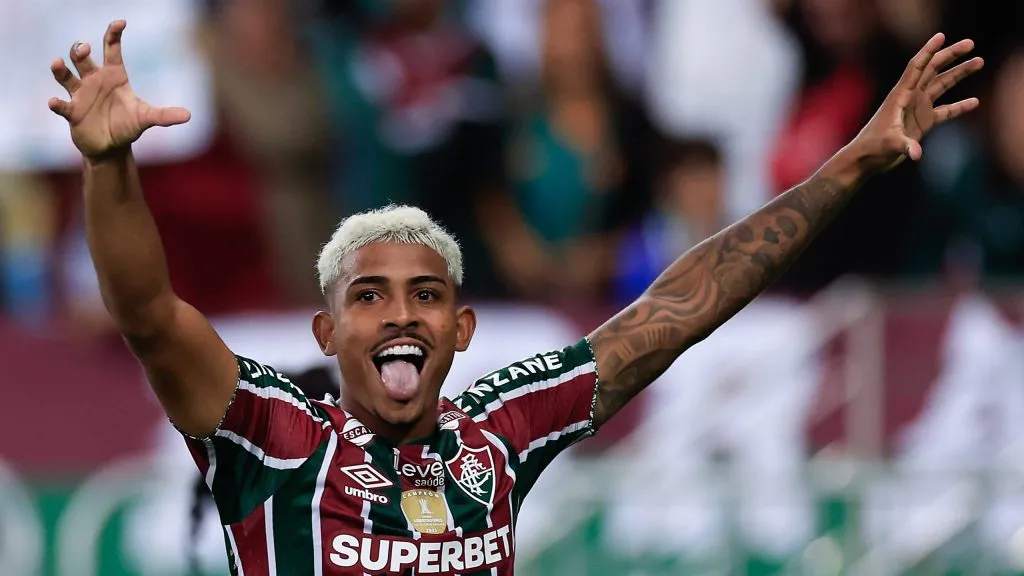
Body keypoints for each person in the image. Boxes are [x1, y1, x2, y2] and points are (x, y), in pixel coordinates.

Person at [47, 19, 981, 575]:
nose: (401, 314)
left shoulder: (498, 434)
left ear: (461, 329)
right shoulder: (273, 438)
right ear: (329, 329)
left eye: (424, 296)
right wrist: (108, 165)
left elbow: (685, 303)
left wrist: (850, 165)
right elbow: (149, 317)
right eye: (370, 296)